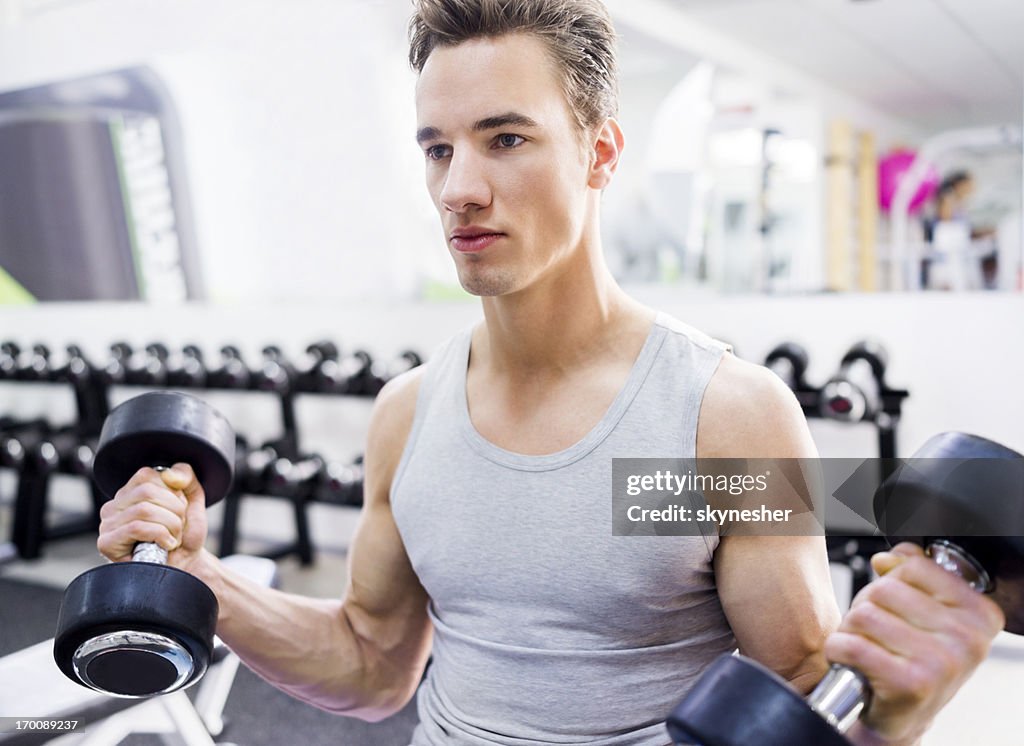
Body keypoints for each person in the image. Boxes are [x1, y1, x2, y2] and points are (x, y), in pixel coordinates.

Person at [95, 2, 1005, 744]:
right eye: (438, 148)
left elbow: (794, 707)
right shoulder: (406, 414)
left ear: (601, 152)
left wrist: (893, 719)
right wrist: (196, 581)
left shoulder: (721, 418)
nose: (459, 188)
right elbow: (371, 663)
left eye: (506, 139)